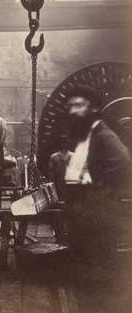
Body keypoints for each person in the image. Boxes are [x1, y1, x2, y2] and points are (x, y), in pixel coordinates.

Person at [64, 85, 132, 266]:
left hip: (100, 213)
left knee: (99, 262)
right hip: (86, 210)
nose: (72, 111)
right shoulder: (88, 135)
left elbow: (122, 162)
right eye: (70, 107)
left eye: (79, 105)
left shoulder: (104, 135)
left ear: (94, 108)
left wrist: (97, 194)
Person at [47, 135, 72, 201]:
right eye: (63, 141)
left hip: (70, 185)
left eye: (66, 141)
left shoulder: (72, 156)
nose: (64, 143)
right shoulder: (54, 157)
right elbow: (51, 173)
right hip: (58, 185)